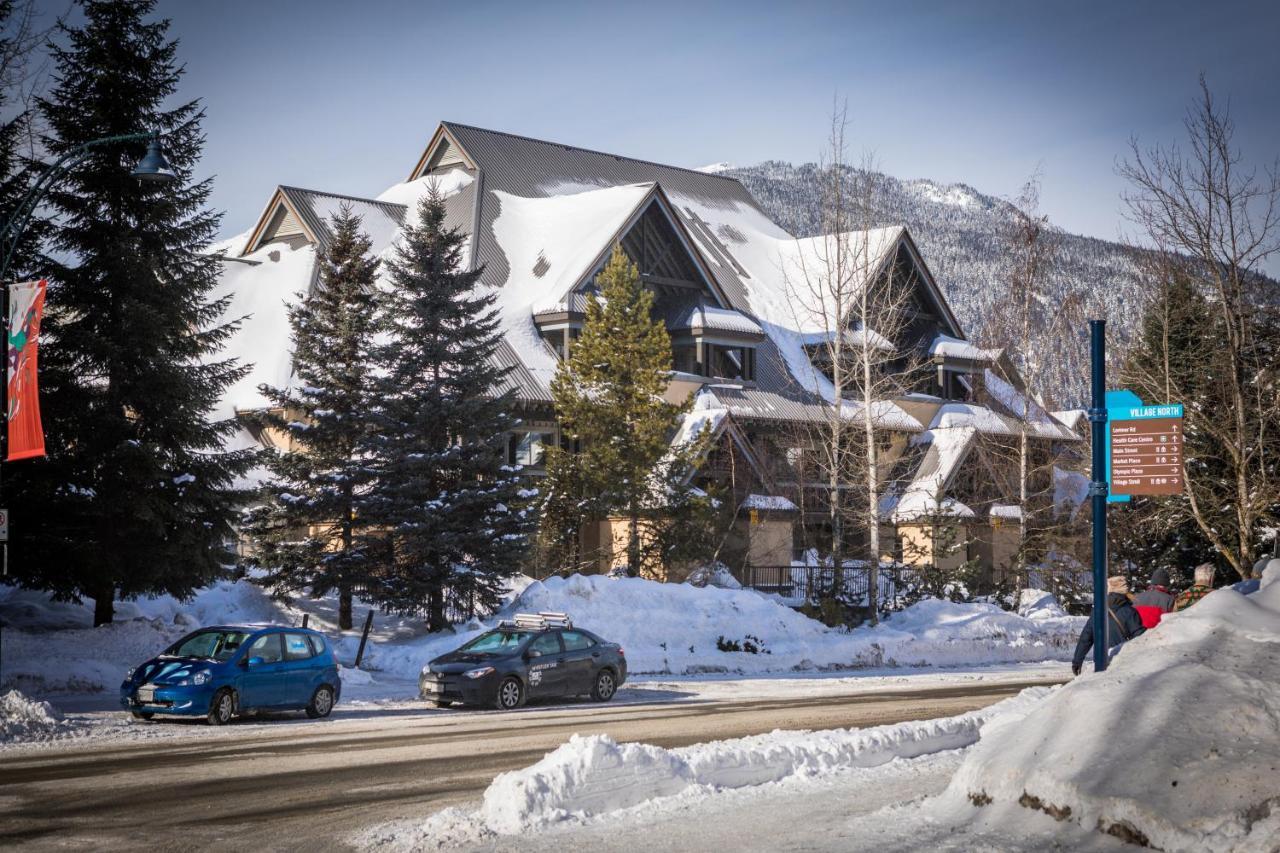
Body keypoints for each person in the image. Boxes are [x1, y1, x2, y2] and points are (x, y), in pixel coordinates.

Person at [1071, 576, 1145, 676]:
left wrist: (1077, 661)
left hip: (1101, 663)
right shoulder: (1130, 612)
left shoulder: (1097, 611)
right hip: (1124, 662)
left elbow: (1086, 637)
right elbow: (1140, 639)